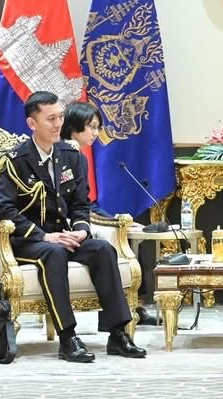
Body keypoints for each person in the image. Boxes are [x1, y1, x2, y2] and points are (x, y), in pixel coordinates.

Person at [0, 91, 147, 363]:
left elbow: (80, 204)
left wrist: (82, 230)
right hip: (29, 241)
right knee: (54, 253)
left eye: (60, 117)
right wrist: (45, 236)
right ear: (32, 123)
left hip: (64, 236)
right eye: (50, 119)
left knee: (102, 249)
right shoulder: (15, 160)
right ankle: (68, 338)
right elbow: (3, 210)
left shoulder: (71, 156)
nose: (58, 124)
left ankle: (117, 333)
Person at [60, 100, 159, 328]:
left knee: (120, 239)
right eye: (91, 127)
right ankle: (129, 311)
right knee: (112, 243)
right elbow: (71, 203)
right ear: (74, 126)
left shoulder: (78, 156)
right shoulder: (63, 155)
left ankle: (129, 312)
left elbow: (84, 203)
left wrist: (115, 222)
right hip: (62, 228)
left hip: (79, 222)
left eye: (97, 127)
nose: (95, 133)